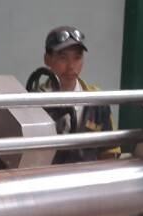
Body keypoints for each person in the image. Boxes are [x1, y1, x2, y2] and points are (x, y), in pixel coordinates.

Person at [42, 25, 120, 163]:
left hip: (89, 175)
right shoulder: (34, 102)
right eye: (63, 58)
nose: (71, 66)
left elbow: (109, 152)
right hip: (49, 175)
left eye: (77, 57)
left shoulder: (97, 101)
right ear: (47, 59)